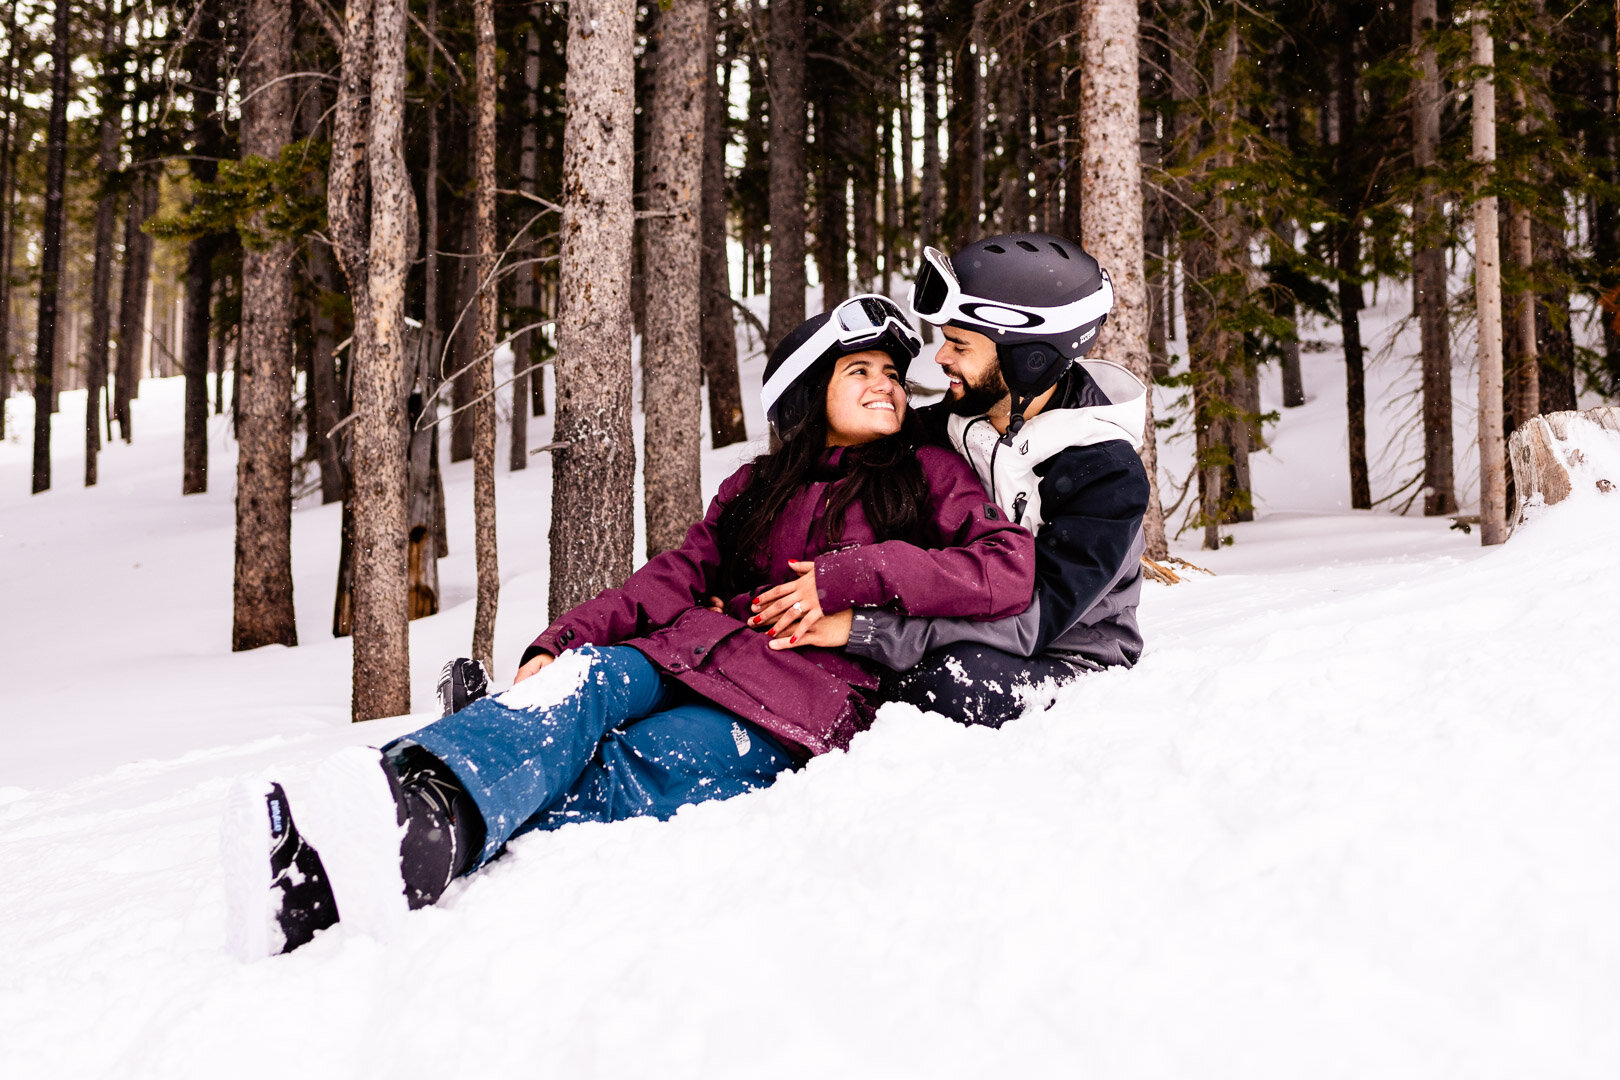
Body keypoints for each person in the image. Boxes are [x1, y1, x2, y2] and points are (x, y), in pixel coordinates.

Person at [222, 294, 1035, 958]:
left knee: (633, 766)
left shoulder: (929, 475)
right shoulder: (753, 487)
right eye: (861, 371)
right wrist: (562, 640)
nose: (889, 385)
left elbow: (1007, 568)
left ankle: (402, 850)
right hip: (688, 651)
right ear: (809, 391)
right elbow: (674, 577)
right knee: (582, 687)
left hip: (794, 704)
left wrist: (852, 575)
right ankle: (362, 823)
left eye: (893, 373)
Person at [759, 234, 1151, 729]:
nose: (940, 357)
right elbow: (849, 461)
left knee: (939, 683)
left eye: (959, 343)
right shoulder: (957, 420)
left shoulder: (1105, 475)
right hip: (953, 625)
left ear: (1028, 357)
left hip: (1069, 654)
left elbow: (1033, 620)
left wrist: (866, 630)